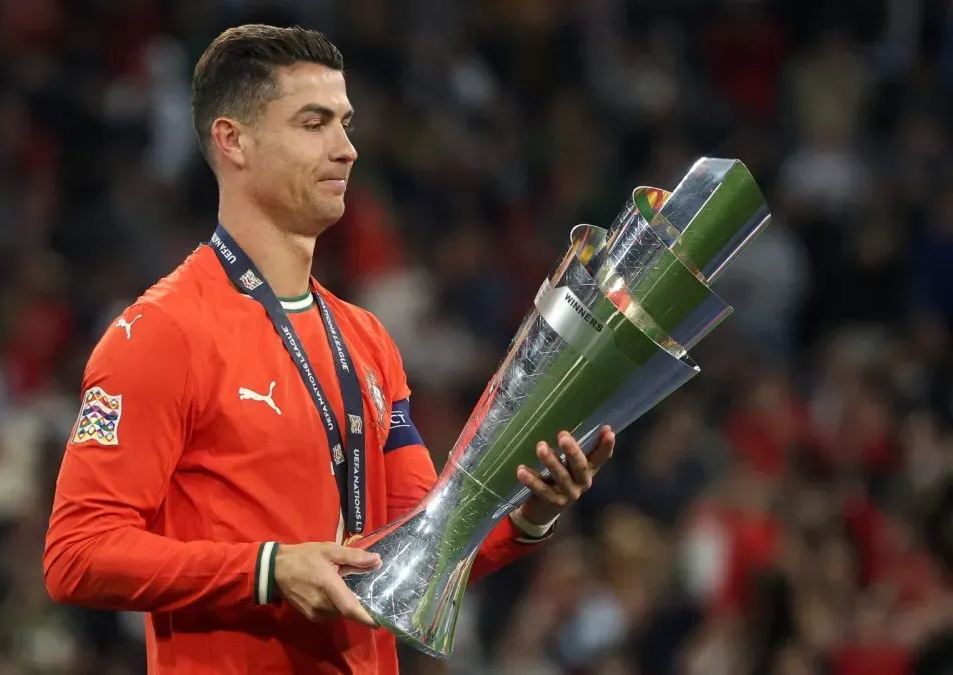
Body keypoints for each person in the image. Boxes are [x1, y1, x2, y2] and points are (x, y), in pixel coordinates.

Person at [42, 23, 616, 675]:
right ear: (234, 141)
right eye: (314, 124)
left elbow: (423, 549)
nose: (346, 149)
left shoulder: (366, 340)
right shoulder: (162, 332)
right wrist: (269, 568)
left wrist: (532, 511)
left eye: (345, 124)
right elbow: (77, 553)